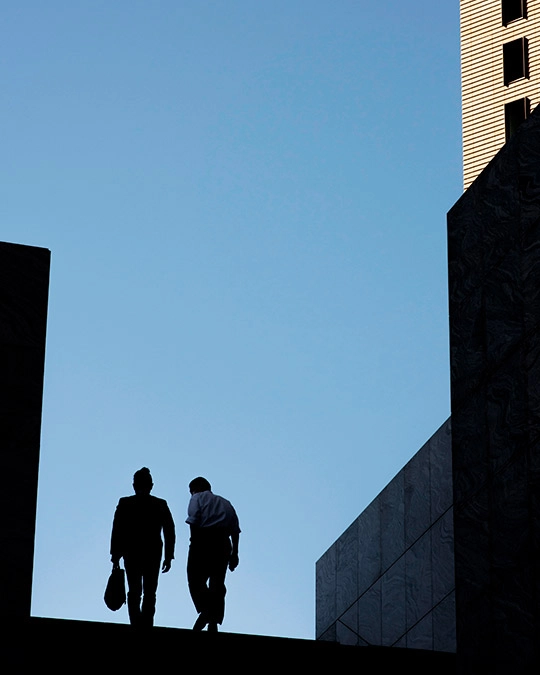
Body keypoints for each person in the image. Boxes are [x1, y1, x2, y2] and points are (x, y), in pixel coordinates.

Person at [110, 467, 175, 627]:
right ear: (151, 485)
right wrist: (168, 555)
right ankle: (147, 624)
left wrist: (115, 553)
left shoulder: (125, 503)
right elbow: (169, 531)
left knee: (134, 591)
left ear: (134, 485)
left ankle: (136, 624)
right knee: (150, 592)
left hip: (131, 551)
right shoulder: (160, 504)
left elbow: (117, 528)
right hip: (153, 552)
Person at [186, 477, 240, 632]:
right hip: (223, 543)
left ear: (194, 489)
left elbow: (194, 520)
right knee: (217, 583)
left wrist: (194, 542)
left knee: (195, 579)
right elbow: (235, 530)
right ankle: (213, 621)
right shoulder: (226, 503)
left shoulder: (197, 498)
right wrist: (235, 553)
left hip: (202, 540)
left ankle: (206, 611)